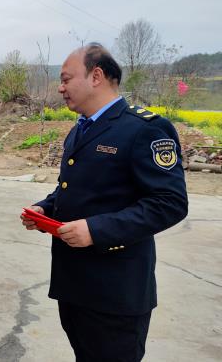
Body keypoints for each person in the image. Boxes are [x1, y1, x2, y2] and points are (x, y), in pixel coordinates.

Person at [21, 43, 188, 362]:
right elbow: (75, 189)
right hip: (75, 286)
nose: (60, 87)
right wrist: (46, 208)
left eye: (66, 78)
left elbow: (170, 202)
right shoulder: (79, 130)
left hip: (116, 293)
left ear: (95, 76)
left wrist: (96, 230)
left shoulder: (144, 129)